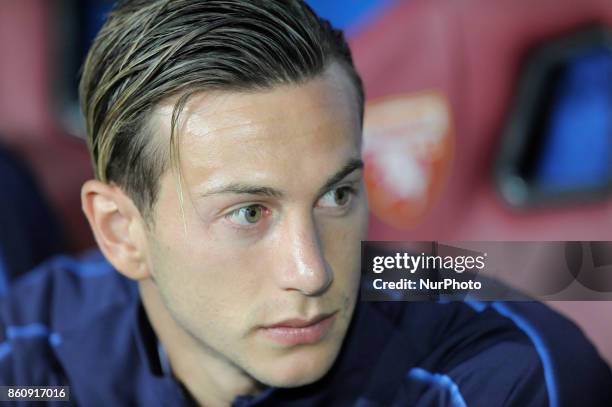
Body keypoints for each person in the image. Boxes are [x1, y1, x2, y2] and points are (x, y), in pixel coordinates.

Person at [1, 0, 611, 405]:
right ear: (121, 232)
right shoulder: (31, 353)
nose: (313, 270)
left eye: (336, 195)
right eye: (249, 212)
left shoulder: (494, 375)